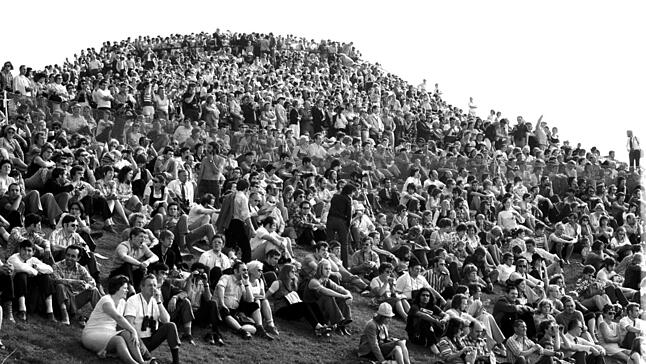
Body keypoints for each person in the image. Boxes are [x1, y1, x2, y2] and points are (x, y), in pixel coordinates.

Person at [81, 275, 150, 364]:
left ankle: (141, 361)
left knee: (127, 334)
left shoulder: (122, 303)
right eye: (125, 288)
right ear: (117, 288)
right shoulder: (106, 300)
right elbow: (118, 318)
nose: (127, 290)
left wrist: (133, 331)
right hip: (92, 333)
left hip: (109, 333)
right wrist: (133, 330)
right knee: (119, 340)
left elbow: (127, 320)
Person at [124, 274, 181, 364]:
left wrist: (159, 301)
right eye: (150, 285)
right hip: (138, 340)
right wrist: (139, 342)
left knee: (171, 326)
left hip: (151, 337)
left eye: (155, 285)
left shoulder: (156, 301)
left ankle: (176, 361)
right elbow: (129, 323)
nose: (153, 288)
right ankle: (146, 356)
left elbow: (167, 320)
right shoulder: (133, 300)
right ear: (142, 287)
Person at [215, 260, 275, 340]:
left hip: (235, 309)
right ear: (236, 271)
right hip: (221, 307)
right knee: (224, 311)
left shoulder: (243, 283)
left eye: (246, 270)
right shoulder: (226, 277)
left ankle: (260, 329)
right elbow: (220, 288)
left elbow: (250, 300)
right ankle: (242, 332)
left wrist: (246, 284)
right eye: (243, 270)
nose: (246, 272)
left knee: (254, 305)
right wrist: (222, 304)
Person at [266, 263, 330, 337]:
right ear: (286, 272)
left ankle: (323, 325)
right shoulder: (278, 283)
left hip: (292, 307)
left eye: (295, 271)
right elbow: (266, 295)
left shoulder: (293, 283)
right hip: (281, 310)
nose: (295, 273)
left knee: (313, 304)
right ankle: (317, 327)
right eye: (292, 271)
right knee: (303, 305)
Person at [52, 245, 102, 326]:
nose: (69, 258)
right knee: (60, 286)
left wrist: (86, 286)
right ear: (65, 255)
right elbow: (55, 280)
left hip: (74, 301)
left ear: (78, 258)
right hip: (59, 301)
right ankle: (65, 317)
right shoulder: (57, 266)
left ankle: (104, 318)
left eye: (73, 256)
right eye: (68, 255)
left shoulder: (81, 269)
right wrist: (73, 282)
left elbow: (92, 282)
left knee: (93, 290)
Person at [7, 239, 55, 321]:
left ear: (33, 252)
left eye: (29, 250)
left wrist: (37, 267)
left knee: (46, 277)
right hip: (15, 290)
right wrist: (35, 271)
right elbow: (21, 267)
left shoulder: (33, 260)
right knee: (22, 275)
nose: (26, 253)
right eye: (24, 250)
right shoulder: (14, 258)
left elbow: (50, 269)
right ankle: (22, 310)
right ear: (19, 250)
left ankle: (50, 312)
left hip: (30, 290)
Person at [302, 259, 353, 335]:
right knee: (328, 297)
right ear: (320, 270)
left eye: (329, 269)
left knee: (341, 299)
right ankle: (338, 322)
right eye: (326, 269)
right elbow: (325, 291)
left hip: (322, 308)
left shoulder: (327, 280)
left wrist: (349, 295)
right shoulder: (313, 281)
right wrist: (343, 296)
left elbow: (339, 288)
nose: (328, 271)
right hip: (312, 310)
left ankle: (342, 326)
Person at [110, 227, 159, 292]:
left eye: (144, 237)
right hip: (118, 272)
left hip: (132, 273)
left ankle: (142, 287)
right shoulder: (124, 245)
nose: (143, 239)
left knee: (150, 264)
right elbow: (124, 257)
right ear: (133, 237)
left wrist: (147, 262)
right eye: (141, 237)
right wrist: (139, 264)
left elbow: (155, 257)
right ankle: (131, 288)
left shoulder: (143, 246)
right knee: (127, 264)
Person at [405, 287, 444, 352]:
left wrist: (444, 320)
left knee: (446, 321)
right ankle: (435, 349)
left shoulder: (432, 306)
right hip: (415, 335)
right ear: (419, 296)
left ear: (430, 297)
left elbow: (445, 314)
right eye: (423, 295)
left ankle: (441, 343)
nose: (425, 297)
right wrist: (435, 320)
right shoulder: (414, 306)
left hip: (427, 333)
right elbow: (422, 315)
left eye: (427, 295)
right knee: (425, 321)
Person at [326, 183, 355, 266]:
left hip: (331, 219)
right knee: (344, 244)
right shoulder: (348, 199)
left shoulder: (335, 196)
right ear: (350, 192)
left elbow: (331, 209)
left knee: (329, 242)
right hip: (341, 222)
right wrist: (348, 226)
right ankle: (345, 265)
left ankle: (327, 261)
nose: (353, 194)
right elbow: (349, 214)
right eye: (353, 192)